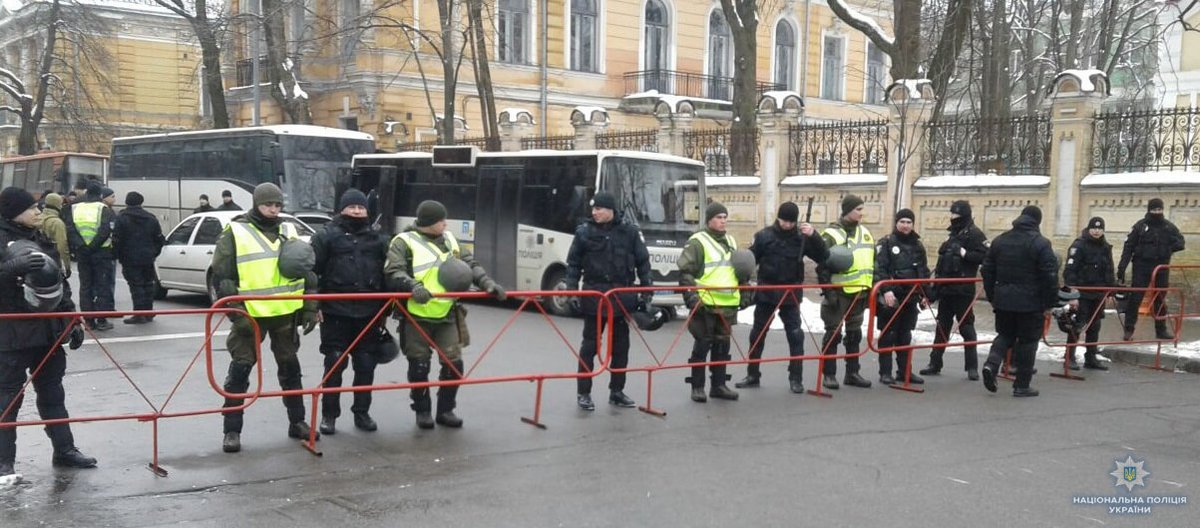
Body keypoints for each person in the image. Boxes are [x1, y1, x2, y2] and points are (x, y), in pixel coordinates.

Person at [212, 183, 320, 453]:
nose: (273, 210)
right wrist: (236, 315)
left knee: (291, 369)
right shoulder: (235, 231)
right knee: (240, 370)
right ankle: (232, 431)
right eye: (268, 205)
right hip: (250, 316)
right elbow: (223, 277)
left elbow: (306, 269)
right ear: (256, 204)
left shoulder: (288, 229)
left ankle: (297, 422)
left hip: (285, 313)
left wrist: (310, 306)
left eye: (277, 205)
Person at [385, 200, 507, 429]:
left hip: (447, 313)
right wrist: (413, 287)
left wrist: (487, 283)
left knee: (454, 364)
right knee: (419, 366)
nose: (445, 223)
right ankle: (422, 411)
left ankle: (446, 409)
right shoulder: (403, 242)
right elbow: (394, 271)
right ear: (429, 223)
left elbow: (470, 263)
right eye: (441, 220)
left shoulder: (450, 240)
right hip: (415, 314)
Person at [0, 187, 96, 478]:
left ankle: (64, 450)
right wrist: (8, 269)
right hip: (12, 333)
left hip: (47, 331)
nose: (38, 212)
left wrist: (72, 318)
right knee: (7, 399)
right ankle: (4, 461)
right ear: (15, 212)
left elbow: (60, 282)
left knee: (53, 394)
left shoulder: (40, 236)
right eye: (32, 208)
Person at [563, 191, 652, 411]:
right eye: (593, 209)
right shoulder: (584, 232)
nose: (594, 212)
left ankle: (617, 391)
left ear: (611, 210)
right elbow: (573, 265)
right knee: (589, 347)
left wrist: (646, 289)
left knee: (621, 348)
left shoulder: (629, 232)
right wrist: (572, 292)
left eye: (599, 208)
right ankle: (584, 393)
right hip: (595, 298)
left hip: (622, 299)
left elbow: (643, 261)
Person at [311, 189, 390, 434]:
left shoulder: (378, 239)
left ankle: (362, 413)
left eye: (361, 207)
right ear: (342, 209)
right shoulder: (325, 236)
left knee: (366, 365)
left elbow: (388, 274)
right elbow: (312, 272)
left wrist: (388, 306)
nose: (357, 211)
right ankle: (329, 416)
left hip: (369, 313)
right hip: (335, 313)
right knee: (335, 364)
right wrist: (314, 304)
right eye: (352, 207)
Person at [736, 201, 828, 393]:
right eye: (784, 220)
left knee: (795, 336)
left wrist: (814, 236)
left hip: (790, 294)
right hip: (767, 292)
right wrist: (743, 285)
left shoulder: (802, 237)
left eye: (791, 222)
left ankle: (796, 378)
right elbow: (749, 260)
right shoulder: (764, 236)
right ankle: (753, 374)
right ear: (778, 218)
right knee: (757, 335)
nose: (787, 225)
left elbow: (823, 256)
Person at [980, 206, 1060, 398]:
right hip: (1031, 303)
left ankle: (991, 364)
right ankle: (1022, 385)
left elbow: (986, 270)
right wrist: (1049, 302)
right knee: (1028, 341)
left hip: (1003, 300)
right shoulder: (1041, 243)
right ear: (1037, 222)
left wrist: (993, 295)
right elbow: (1049, 276)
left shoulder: (1000, 241)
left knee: (1005, 335)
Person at [678, 202, 747, 403]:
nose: (723, 221)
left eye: (725, 217)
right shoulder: (698, 241)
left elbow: (740, 269)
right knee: (702, 343)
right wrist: (692, 297)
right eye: (718, 217)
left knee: (722, 345)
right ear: (709, 220)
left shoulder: (731, 241)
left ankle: (718, 385)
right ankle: (697, 386)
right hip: (705, 303)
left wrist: (745, 291)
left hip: (727, 303)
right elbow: (686, 272)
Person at [922, 200, 989, 380]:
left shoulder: (975, 234)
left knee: (967, 328)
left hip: (963, 290)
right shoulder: (951, 235)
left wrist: (965, 254)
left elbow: (985, 257)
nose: (953, 218)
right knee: (942, 327)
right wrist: (933, 289)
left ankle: (972, 367)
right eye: (951, 214)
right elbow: (941, 264)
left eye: (956, 215)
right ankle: (935, 363)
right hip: (946, 289)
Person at [816, 195, 875, 390]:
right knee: (833, 334)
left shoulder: (865, 232)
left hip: (859, 293)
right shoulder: (832, 234)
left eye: (862, 209)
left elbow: (872, 262)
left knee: (854, 334)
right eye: (858, 209)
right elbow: (822, 265)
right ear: (847, 210)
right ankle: (829, 374)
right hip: (838, 292)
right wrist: (828, 291)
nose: (861, 213)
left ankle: (852, 372)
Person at [873, 209, 931, 385]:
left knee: (905, 335)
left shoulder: (917, 245)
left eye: (909, 222)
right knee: (888, 334)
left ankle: (904, 371)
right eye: (902, 222)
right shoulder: (887, 243)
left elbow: (923, 271)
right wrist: (886, 290)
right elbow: (879, 268)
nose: (905, 226)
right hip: (892, 297)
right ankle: (885, 373)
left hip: (911, 296)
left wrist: (925, 293)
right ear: (896, 223)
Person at [1118, 198, 1185, 340]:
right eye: (1154, 210)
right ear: (1149, 210)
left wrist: (1167, 249)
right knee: (1136, 298)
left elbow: (1180, 242)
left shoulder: (1168, 227)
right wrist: (1122, 267)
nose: (1157, 212)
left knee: (1160, 298)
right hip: (1142, 267)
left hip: (1161, 267)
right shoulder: (1140, 227)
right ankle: (1129, 330)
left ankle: (1161, 330)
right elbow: (1128, 247)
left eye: (1159, 210)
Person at [1063, 216, 1115, 371]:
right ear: (1089, 228)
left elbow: (1109, 270)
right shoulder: (1079, 245)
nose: (1097, 231)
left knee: (1095, 325)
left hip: (1099, 292)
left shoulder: (1105, 247)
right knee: (1077, 325)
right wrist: (1072, 291)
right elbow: (1070, 269)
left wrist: (1111, 290)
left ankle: (1090, 357)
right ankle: (1069, 357)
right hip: (1082, 292)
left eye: (1100, 228)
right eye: (1094, 228)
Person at [67, 182, 117, 331]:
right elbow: (105, 230)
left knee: (86, 286)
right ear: (101, 195)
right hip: (101, 252)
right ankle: (101, 319)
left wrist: (82, 246)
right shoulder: (103, 209)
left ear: (86, 193)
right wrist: (92, 246)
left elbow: (70, 229)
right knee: (102, 285)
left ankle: (88, 320)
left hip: (82, 253)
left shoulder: (74, 208)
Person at [113, 192, 165, 324]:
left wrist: (117, 255)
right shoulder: (151, 218)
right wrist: (153, 253)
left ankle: (139, 313)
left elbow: (117, 239)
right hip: (147, 257)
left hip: (129, 258)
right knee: (148, 284)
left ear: (126, 202)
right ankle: (148, 312)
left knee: (136, 286)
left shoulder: (122, 218)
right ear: (141, 202)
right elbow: (159, 239)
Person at [38, 193, 71, 279]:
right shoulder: (57, 223)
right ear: (58, 205)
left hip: (38, 259)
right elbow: (62, 246)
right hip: (53, 261)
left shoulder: (37, 218)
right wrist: (67, 266)